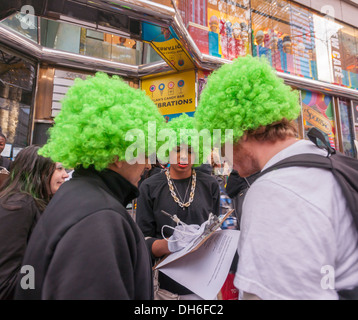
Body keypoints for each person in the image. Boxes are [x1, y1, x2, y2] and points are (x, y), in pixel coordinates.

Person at [194, 55, 358, 300]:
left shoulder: (273, 191)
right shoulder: (324, 158)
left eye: (221, 143)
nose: (224, 157)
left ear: (242, 130)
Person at [15, 72, 165, 300]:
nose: (147, 164)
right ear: (117, 155)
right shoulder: (100, 218)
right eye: (143, 152)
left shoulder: (75, 194)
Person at [136, 114, 221, 299]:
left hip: (204, 284)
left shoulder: (210, 184)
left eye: (190, 150)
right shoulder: (149, 187)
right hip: (167, 288)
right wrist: (169, 245)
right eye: (177, 150)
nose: (183, 156)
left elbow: (216, 229)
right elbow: (142, 241)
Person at [0, 145, 68, 300]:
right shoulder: (19, 206)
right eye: (59, 168)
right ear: (39, 171)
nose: (65, 175)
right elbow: (5, 278)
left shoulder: (36, 202)